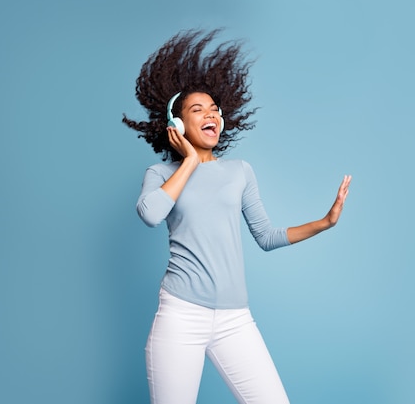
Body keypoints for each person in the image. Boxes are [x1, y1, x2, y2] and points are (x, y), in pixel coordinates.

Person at [122, 29, 351, 404]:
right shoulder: (162, 175)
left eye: (214, 108)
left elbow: (266, 235)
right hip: (181, 316)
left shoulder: (240, 171)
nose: (211, 113)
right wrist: (191, 161)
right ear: (177, 127)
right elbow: (150, 214)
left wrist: (324, 222)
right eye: (198, 110)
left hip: (235, 320)